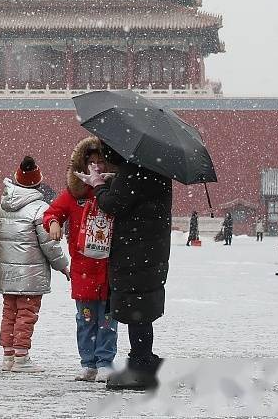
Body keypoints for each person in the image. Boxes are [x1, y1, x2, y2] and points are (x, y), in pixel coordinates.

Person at [75, 141, 171, 391]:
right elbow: (133, 196)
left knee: (135, 309)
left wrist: (99, 185)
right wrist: (114, 180)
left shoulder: (134, 170)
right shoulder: (155, 169)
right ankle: (146, 359)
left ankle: (139, 367)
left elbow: (114, 204)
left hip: (133, 253)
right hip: (153, 250)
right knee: (144, 307)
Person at [44, 137, 118, 383]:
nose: (96, 167)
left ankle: (105, 361)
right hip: (83, 269)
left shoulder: (113, 193)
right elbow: (53, 212)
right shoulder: (74, 194)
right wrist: (53, 223)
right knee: (86, 320)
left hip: (109, 269)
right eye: (91, 162)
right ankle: (88, 363)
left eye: (101, 162)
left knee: (108, 321)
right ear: (83, 164)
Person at [0, 157, 69, 373]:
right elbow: (49, 245)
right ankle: (22, 358)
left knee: (9, 313)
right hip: (31, 276)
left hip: (8, 274)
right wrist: (63, 265)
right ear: (38, 183)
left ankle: (8, 357)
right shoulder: (40, 209)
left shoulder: (2, 206)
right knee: (26, 315)